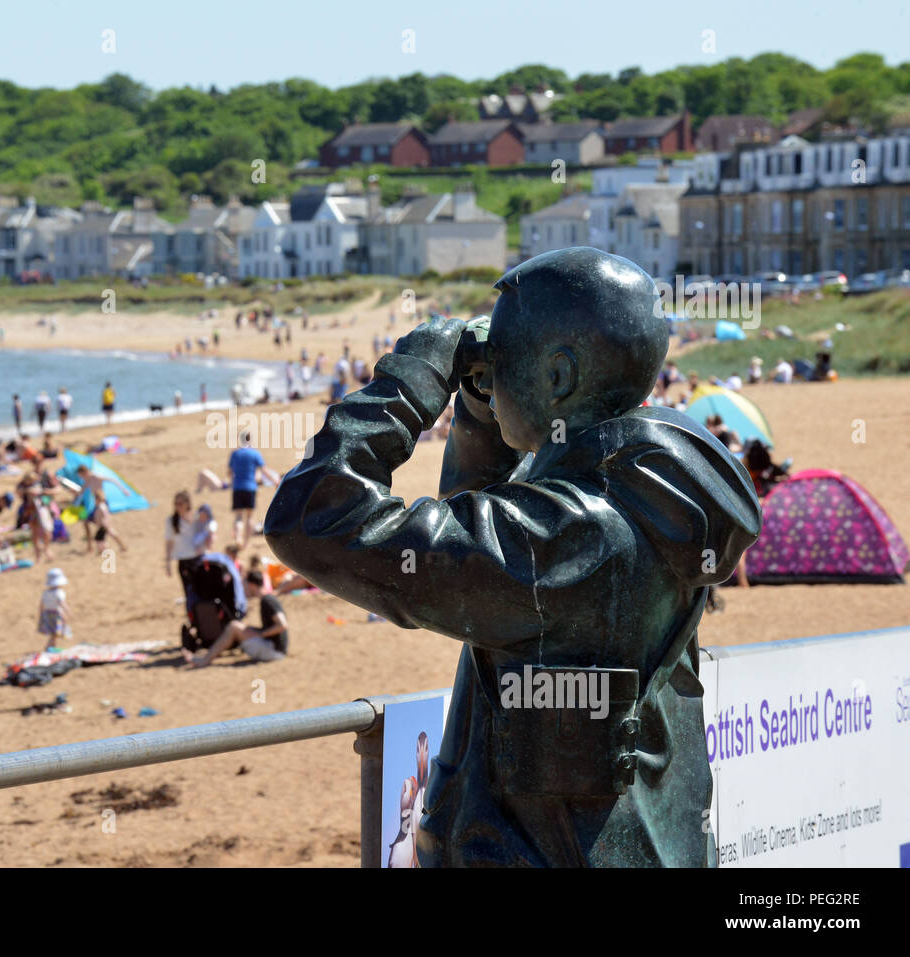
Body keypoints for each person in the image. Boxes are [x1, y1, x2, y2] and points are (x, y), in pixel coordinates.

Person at [264, 248, 761, 867]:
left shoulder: (569, 535)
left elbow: (311, 516)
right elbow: (475, 545)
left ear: (557, 377)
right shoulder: (647, 500)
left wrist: (411, 381)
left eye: (501, 362)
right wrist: (479, 410)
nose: (491, 376)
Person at [184, 572, 288, 668]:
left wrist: (261, 634)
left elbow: (282, 625)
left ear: (251, 585)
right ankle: (206, 658)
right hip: (274, 648)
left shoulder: (268, 600)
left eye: (244, 585)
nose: (243, 589)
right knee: (239, 626)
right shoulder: (267, 599)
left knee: (234, 626)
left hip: (274, 651)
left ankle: (205, 660)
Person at [75, 463, 128, 553]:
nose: (81, 478)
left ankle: (119, 545)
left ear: (85, 472)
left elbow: (112, 480)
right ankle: (94, 546)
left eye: (81, 475)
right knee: (89, 523)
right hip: (96, 504)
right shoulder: (88, 480)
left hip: (102, 503)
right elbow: (82, 490)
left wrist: (123, 490)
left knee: (106, 527)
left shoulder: (96, 477)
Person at [227, 432, 266, 548]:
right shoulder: (255, 453)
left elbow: (229, 473)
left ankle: (238, 537)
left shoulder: (235, 454)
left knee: (239, 516)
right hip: (250, 487)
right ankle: (246, 543)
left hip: (238, 487)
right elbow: (263, 470)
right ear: (250, 440)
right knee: (249, 516)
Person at [165, 491, 198, 597]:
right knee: (188, 591)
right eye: (176, 504)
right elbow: (169, 542)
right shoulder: (171, 521)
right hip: (183, 559)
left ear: (187, 504)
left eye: (180, 503)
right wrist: (168, 562)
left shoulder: (196, 517)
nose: (178, 507)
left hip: (197, 557)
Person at [38, 568, 72, 643]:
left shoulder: (45, 593)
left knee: (53, 633)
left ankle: (51, 646)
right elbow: (62, 603)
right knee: (56, 633)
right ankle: (50, 646)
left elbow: (41, 605)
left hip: (47, 614)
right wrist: (68, 611)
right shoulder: (59, 592)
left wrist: (41, 615)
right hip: (57, 614)